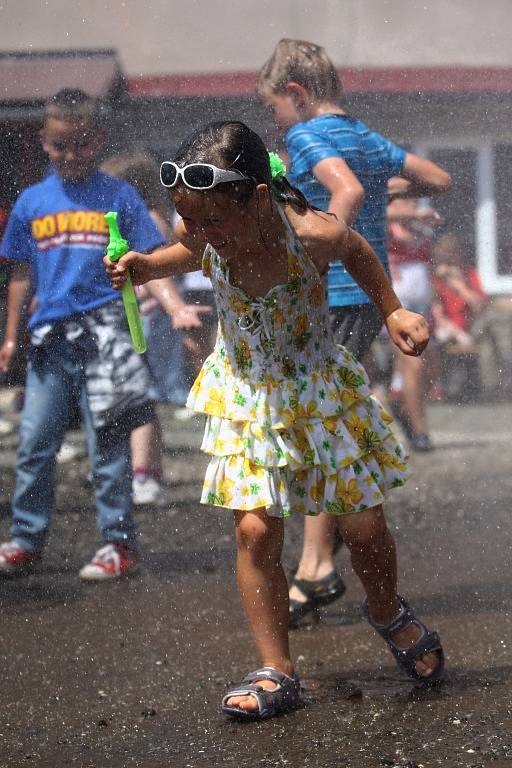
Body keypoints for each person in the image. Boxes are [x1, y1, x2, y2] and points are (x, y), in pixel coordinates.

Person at [105, 120, 445, 719]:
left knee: (362, 526)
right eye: (195, 222)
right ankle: (276, 668)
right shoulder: (207, 232)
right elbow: (190, 251)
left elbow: (359, 250)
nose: (206, 236)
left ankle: (387, 609)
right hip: (248, 396)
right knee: (256, 531)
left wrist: (392, 310)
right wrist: (148, 268)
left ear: (259, 197)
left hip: (317, 391)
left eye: (215, 223)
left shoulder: (310, 235)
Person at [257, 38, 452, 625]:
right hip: (370, 296)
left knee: (320, 423)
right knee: (331, 414)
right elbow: (436, 179)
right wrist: (391, 200)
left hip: (333, 296)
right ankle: (322, 551)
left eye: (275, 109)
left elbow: (348, 190)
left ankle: (316, 564)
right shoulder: (364, 136)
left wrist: (328, 242)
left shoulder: (304, 137)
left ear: (296, 93)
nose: (277, 121)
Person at [0, 88, 166, 580]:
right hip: (50, 338)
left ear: (98, 141)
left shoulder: (120, 196)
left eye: (81, 145)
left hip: (105, 335)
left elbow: (151, 257)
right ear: (44, 142)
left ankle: (118, 543)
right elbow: (22, 275)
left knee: (107, 446)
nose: (70, 155)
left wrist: (169, 303)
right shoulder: (33, 200)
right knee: (35, 442)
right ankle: (26, 539)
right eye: (59, 146)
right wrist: (11, 336)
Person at [101, 152, 210, 505]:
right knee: (142, 395)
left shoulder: (148, 219)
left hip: (149, 315)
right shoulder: (146, 217)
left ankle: (143, 473)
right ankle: (150, 470)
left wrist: (166, 303)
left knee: (140, 396)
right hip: (145, 314)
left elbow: (158, 266)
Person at [387, 197, 442, 451]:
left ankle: (401, 403)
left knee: (432, 369)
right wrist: (416, 215)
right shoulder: (386, 227)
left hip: (423, 311)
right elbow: (381, 214)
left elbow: (431, 266)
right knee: (413, 364)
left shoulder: (421, 231)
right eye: (405, 200)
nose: (413, 205)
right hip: (396, 313)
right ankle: (420, 432)